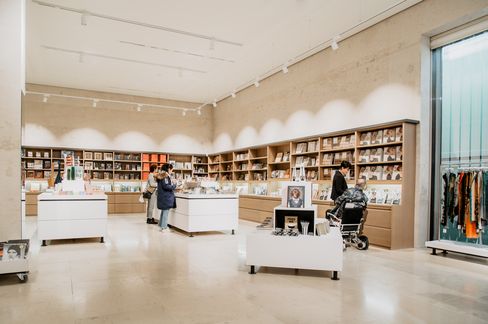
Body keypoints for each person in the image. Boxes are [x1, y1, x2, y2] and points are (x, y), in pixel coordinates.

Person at [156, 163, 176, 232]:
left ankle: (161, 225)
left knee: (163, 211)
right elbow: (166, 186)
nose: (171, 171)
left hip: (163, 196)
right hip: (166, 197)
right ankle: (164, 227)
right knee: (165, 212)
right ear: (168, 169)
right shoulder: (165, 176)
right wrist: (174, 186)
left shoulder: (161, 175)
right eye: (171, 170)